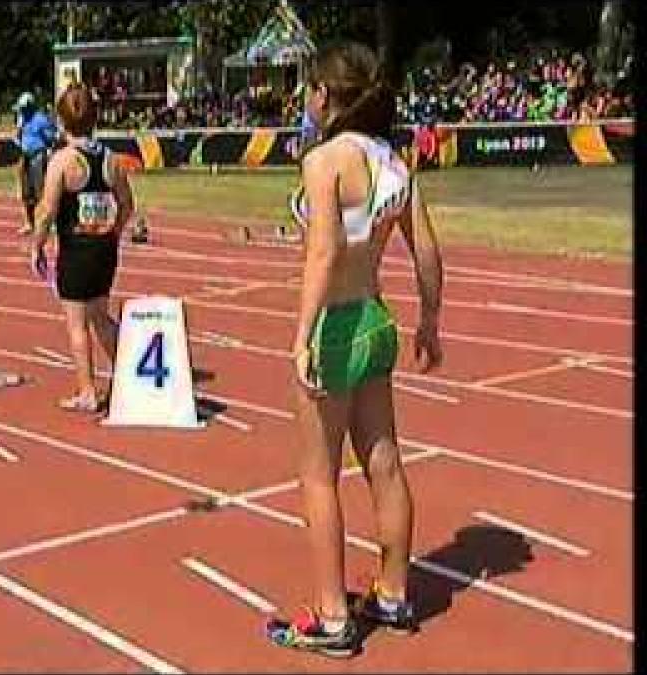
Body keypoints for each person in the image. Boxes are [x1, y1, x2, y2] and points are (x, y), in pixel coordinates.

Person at [265, 41, 444, 658]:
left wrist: (301, 336)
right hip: (376, 321)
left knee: (318, 477)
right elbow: (426, 249)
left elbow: (323, 253)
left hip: (335, 328)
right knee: (385, 462)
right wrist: (430, 322)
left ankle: (333, 616)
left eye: (310, 89)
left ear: (326, 95)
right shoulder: (395, 162)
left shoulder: (324, 162)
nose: (306, 99)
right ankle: (393, 593)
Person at [28, 83, 133, 412]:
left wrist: (37, 245)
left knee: (77, 323)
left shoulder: (62, 161)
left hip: (75, 251)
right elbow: (127, 204)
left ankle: (88, 391)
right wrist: (113, 231)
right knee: (101, 316)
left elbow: (47, 210)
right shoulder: (111, 161)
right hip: (104, 250)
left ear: (61, 122)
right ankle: (128, 375)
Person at [13, 92, 59, 235]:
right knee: (26, 192)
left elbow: (52, 138)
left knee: (41, 191)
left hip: (38, 156)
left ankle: (46, 222)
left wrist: (47, 145)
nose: (22, 111)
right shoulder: (22, 119)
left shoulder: (41, 120)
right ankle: (29, 222)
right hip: (24, 156)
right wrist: (18, 136)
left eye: (24, 109)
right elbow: (17, 136)